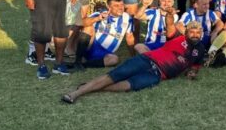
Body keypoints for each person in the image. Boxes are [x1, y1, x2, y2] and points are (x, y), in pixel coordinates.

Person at [61, 21, 206, 104]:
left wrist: (192, 73)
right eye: (192, 32)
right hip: (147, 60)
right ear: (186, 33)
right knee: (114, 76)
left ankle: (92, 87)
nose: (195, 35)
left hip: (157, 75)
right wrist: (172, 18)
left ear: (201, 34)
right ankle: (75, 93)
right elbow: (172, 26)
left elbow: (195, 67)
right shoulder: (178, 38)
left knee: (128, 86)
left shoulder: (200, 50)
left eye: (198, 33)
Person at [73, 0, 135, 70]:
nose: (120, 8)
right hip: (91, 47)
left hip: (105, 53)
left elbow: (130, 37)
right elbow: (82, 23)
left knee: (114, 59)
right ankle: (78, 61)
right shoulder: (100, 14)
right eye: (116, 5)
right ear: (109, 7)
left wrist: (133, 56)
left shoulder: (127, 18)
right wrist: (97, 19)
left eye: (122, 5)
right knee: (88, 27)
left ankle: (83, 65)